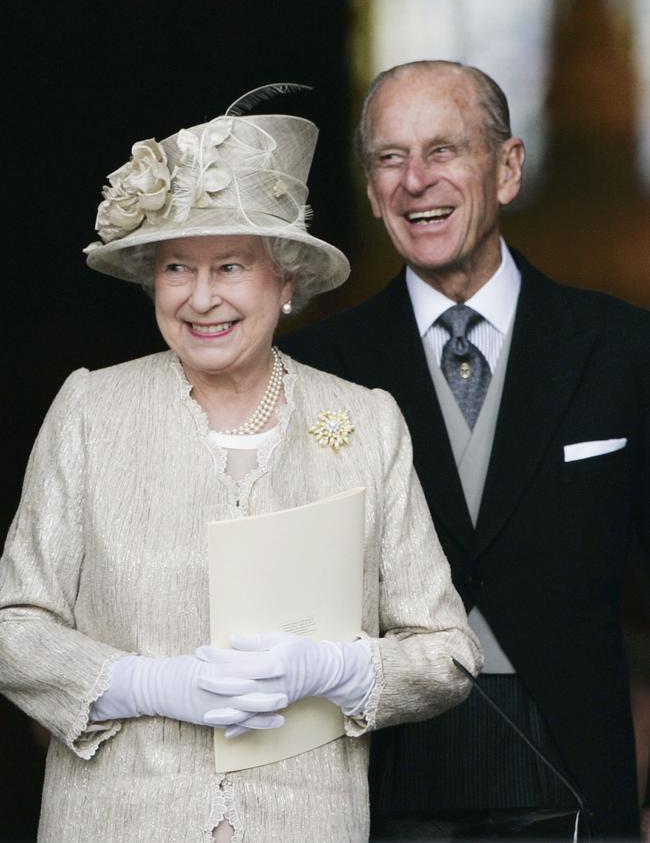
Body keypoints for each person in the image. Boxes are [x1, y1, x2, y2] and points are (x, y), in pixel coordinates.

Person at [0, 86, 482, 843]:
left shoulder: (366, 422)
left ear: (286, 282)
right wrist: (146, 683)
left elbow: (448, 654)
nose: (200, 298)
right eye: (175, 269)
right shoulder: (91, 412)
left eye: (230, 265)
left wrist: (336, 671)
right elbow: (13, 625)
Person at [280, 60, 650, 840]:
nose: (415, 180)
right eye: (389, 157)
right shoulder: (311, 368)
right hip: (375, 776)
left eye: (442, 150)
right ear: (372, 188)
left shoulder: (624, 349)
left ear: (507, 167)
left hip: (579, 771)